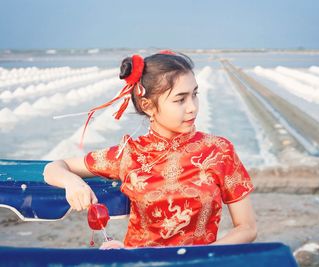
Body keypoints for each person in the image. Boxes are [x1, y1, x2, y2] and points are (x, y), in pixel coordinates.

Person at [43, 50, 257, 249]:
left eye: (194, 94)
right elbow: (55, 167)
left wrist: (199, 257)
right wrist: (72, 183)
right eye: (180, 99)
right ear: (147, 106)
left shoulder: (218, 151)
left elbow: (247, 228)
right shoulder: (129, 154)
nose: (192, 107)